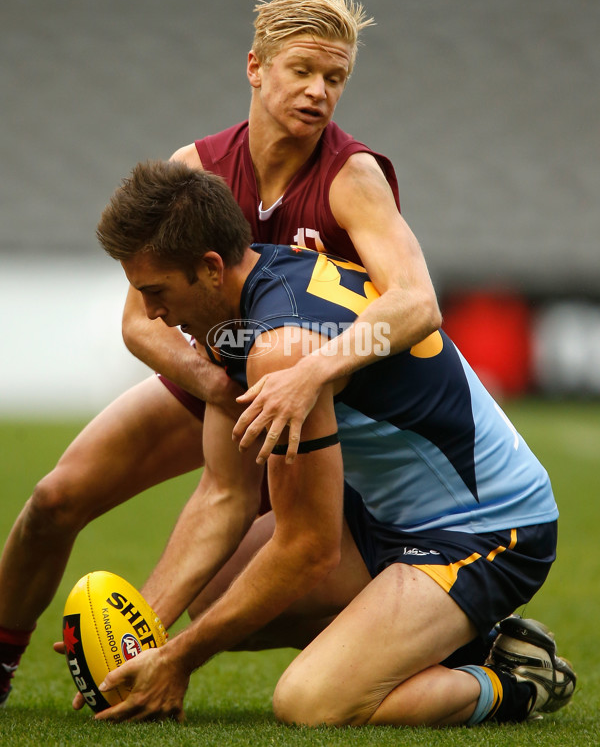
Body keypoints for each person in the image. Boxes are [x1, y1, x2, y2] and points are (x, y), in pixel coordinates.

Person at [0, 0, 441, 707]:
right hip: (222, 380)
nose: (318, 91)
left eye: (335, 79)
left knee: (236, 585)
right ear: (254, 68)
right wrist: (213, 381)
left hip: (317, 401)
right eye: (302, 71)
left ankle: (438, 640)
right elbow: (142, 321)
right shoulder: (197, 169)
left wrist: (307, 376)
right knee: (53, 498)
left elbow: (417, 302)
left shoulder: (351, 176)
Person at [90, 159, 575, 726]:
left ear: (210, 267)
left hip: (486, 530)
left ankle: (512, 681)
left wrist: (179, 660)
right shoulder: (238, 314)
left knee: (310, 702)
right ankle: (465, 640)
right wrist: (140, 637)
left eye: (156, 291)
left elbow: (308, 549)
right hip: (383, 516)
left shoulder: (279, 346)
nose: (152, 313)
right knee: (216, 592)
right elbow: (224, 494)